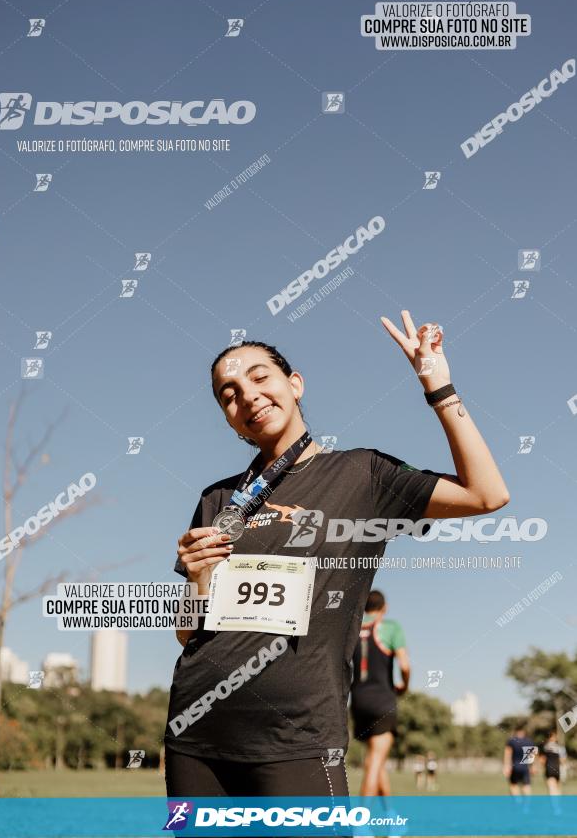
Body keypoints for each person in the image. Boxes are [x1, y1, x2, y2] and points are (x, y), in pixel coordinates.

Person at [165, 313, 510, 799]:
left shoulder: (362, 475)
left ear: (295, 383)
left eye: (260, 377)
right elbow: (188, 633)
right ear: (228, 417)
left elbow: (486, 494)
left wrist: (439, 388)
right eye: (229, 394)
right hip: (198, 731)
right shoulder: (218, 500)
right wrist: (199, 578)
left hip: (298, 735)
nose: (247, 396)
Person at [349, 590, 409, 797]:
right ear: (384, 608)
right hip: (382, 701)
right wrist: (405, 686)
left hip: (357, 701)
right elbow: (405, 665)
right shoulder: (391, 627)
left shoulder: (352, 628)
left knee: (376, 760)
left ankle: (390, 817)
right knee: (374, 763)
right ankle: (361, 823)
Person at [503, 723, 536, 795]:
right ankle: (526, 805)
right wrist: (532, 767)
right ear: (524, 731)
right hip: (525, 767)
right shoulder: (529, 741)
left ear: (516, 731)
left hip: (515, 767)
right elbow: (532, 756)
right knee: (526, 785)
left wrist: (506, 766)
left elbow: (507, 754)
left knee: (513, 785)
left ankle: (517, 801)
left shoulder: (511, 741)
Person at [540, 729, 566, 795]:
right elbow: (563, 760)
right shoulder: (560, 747)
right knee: (558, 787)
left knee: (551, 787)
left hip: (549, 769)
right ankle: (558, 803)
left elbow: (542, 760)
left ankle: (554, 804)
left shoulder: (545, 747)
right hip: (558, 768)